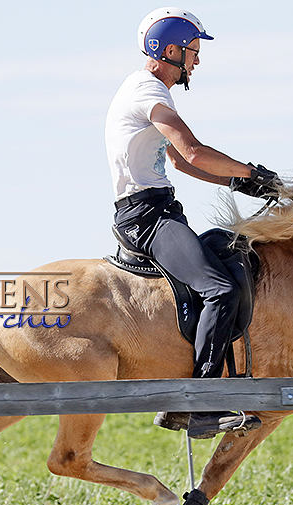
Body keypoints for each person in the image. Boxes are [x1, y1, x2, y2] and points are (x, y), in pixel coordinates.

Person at [105, 7, 280, 439]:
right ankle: (198, 405)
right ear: (169, 50)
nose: (197, 62)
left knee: (233, 253)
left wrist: (245, 185)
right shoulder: (148, 91)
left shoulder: (150, 91)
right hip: (145, 216)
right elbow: (195, 151)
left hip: (161, 207)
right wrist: (252, 171)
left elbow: (183, 164)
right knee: (217, 288)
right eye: (193, 52)